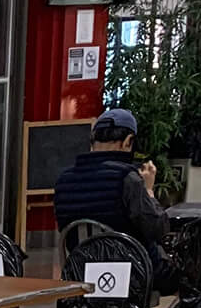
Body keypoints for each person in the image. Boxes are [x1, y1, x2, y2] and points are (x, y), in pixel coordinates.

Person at [54, 106, 171, 280]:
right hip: (131, 276)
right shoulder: (127, 178)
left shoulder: (63, 180)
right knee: (182, 272)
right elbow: (158, 230)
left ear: (92, 140)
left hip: (80, 272)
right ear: (128, 141)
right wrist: (148, 190)